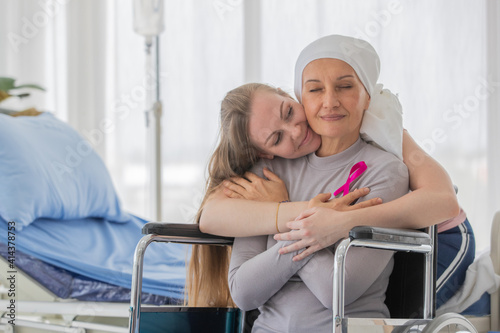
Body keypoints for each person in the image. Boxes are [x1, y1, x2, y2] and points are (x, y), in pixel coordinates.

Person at [190, 35, 475, 311]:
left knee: (411, 312)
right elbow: (211, 216)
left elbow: (442, 201)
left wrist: (342, 220)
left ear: (290, 96)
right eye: (276, 139)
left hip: (442, 233)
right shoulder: (276, 164)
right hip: (386, 232)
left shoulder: (383, 132)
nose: (297, 130)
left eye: (289, 112)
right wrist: (294, 212)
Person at [227, 37, 412, 330]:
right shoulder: (267, 174)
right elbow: (243, 292)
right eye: (315, 90)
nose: (330, 101)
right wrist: (311, 230)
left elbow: (337, 290)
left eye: (345, 86)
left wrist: (284, 213)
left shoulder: (386, 172)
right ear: (303, 97)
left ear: (367, 95)